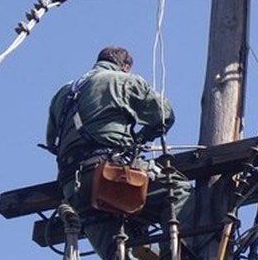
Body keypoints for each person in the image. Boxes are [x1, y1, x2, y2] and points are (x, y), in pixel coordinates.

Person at [46, 46, 193, 260]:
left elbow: (52, 143)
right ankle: (177, 254)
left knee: (116, 253)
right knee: (178, 190)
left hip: (74, 187)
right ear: (125, 66)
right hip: (111, 174)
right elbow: (164, 114)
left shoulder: (63, 93)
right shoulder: (123, 80)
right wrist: (141, 138)